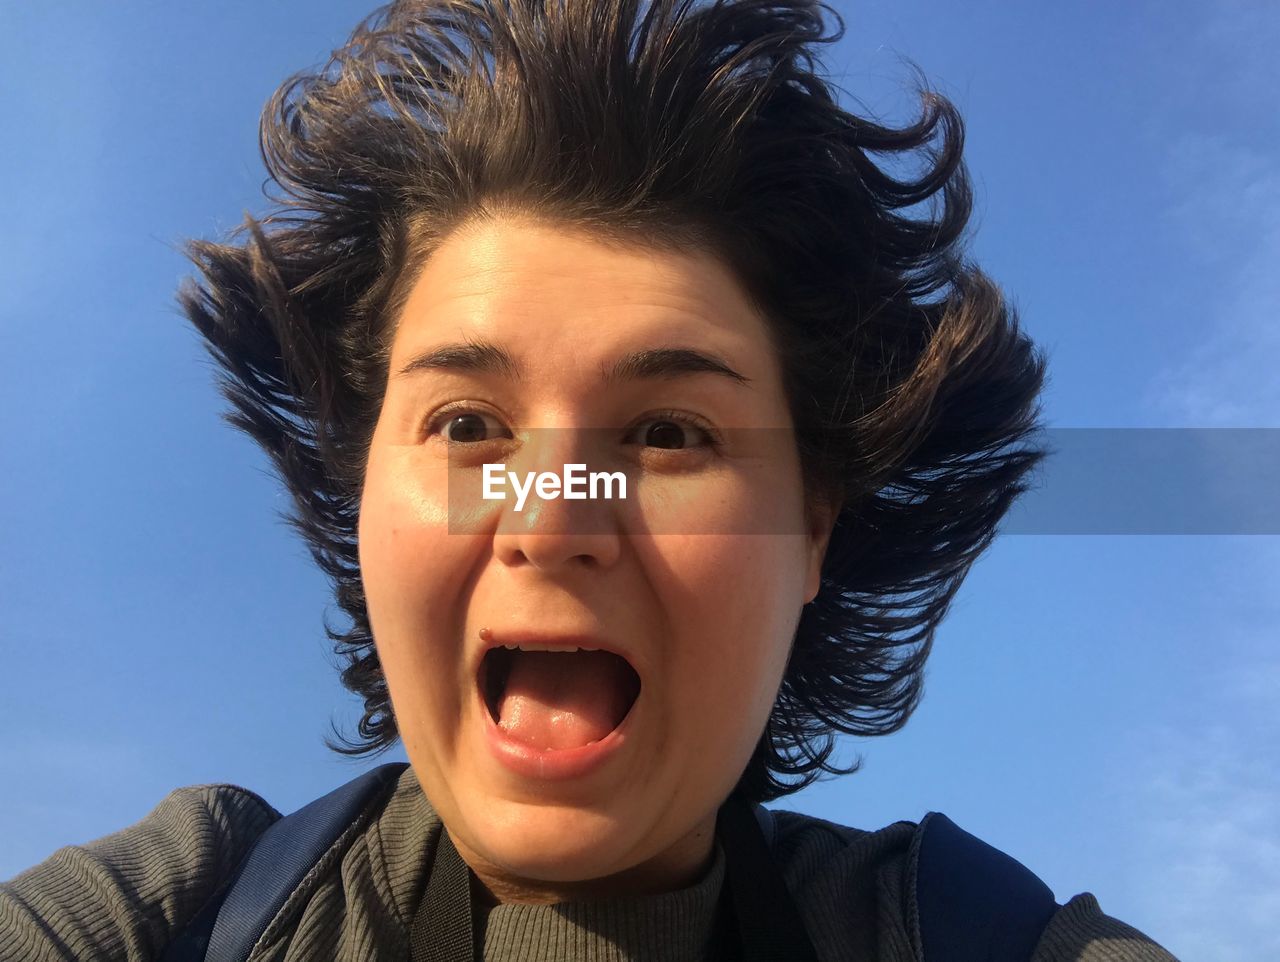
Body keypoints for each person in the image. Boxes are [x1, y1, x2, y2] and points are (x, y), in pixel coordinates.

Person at [1, 1, 1180, 959]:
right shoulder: (178, 908)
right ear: (361, 489)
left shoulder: (974, 940)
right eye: (467, 422)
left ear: (811, 529)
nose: (553, 512)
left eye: (668, 435)